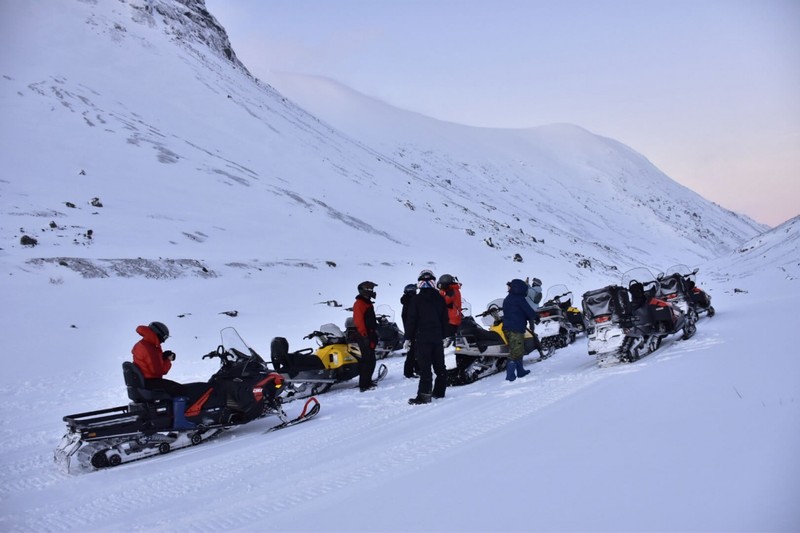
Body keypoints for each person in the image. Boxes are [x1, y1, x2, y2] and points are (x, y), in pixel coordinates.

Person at [131, 321, 207, 401]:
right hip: (150, 382)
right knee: (181, 390)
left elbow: (148, 361)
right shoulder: (149, 348)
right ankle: (180, 413)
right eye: (164, 338)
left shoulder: (143, 344)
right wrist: (168, 360)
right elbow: (158, 371)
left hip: (144, 381)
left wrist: (162, 357)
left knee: (175, 388)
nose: (163, 341)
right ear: (158, 334)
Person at [406, 270, 449, 404]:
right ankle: (439, 392)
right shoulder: (440, 298)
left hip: (423, 338)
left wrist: (408, 337)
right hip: (436, 337)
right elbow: (445, 319)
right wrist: (445, 336)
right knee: (440, 366)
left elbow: (411, 320)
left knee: (425, 368)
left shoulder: (416, 299)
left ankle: (424, 395)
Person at [502, 279, 539, 381]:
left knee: (518, 349)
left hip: (509, 327)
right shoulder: (518, 299)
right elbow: (528, 311)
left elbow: (517, 312)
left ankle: (520, 371)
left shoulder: (509, 298)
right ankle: (510, 376)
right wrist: (536, 317)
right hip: (515, 328)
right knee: (516, 351)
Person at [352, 281, 379, 392]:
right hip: (364, 335)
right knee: (366, 360)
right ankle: (364, 384)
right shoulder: (360, 304)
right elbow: (359, 321)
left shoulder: (367, 303)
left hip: (370, 333)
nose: (372, 291)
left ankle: (368, 381)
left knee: (371, 359)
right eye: (369, 289)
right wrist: (364, 336)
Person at [400, 283, 419, 379]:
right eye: (415, 291)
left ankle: (417, 369)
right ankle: (408, 372)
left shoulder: (408, 302)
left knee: (416, 350)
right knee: (412, 352)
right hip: (412, 330)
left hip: (412, 330)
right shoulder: (410, 302)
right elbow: (411, 318)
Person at [437, 274, 463, 339]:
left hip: (451, 320)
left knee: (447, 338)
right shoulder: (453, 290)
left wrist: (440, 293)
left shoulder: (451, 291)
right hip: (451, 319)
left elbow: (444, 301)